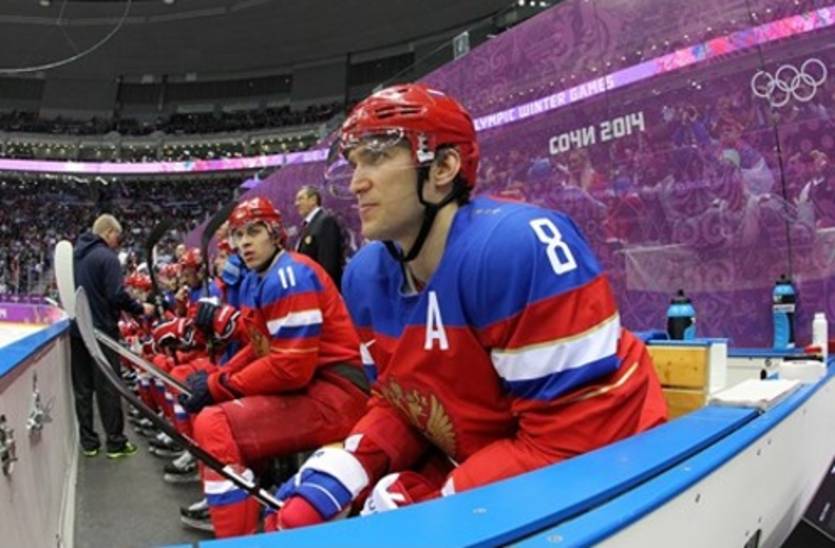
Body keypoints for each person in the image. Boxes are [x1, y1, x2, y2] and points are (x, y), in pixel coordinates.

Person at [269, 84, 668, 529]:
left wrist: (443, 503)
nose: (356, 182)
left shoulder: (519, 248)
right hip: (499, 458)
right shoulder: (364, 275)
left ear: (443, 167)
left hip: (623, 477)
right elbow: (404, 404)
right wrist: (356, 462)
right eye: (355, 162)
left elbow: (573, 441)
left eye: (377, 157)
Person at [177, 197, 370, 538]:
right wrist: (216, 378)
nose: (244, 242)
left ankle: (235, 532)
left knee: (214, 423)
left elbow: (290, 368)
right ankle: (235, 506)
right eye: (239, 234)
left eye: (254, 231)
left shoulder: (289, 276)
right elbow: (259, 345)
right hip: (319, 387)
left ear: (276, 233)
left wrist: (219, 384)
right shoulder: (265, 276)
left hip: (337, 394)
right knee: (213, 410)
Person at [70, 214, 155, 458]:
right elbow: (116, 295)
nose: (119, 241)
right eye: (118, 235)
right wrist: (140, 308)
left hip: (77, 330)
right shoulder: (107, 257)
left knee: (83, 388)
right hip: (101, 331)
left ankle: (89, 443)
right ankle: (115, 443)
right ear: (108, 232)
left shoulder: (74, 256)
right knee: (107, 386)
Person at [293, 185, 346, 287]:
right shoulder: (310, 224)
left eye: (300, 199)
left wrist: (322, 290)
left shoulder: (325, 222)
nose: (296, 204)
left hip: (322, 289)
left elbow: (329, 264)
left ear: (313, 200)